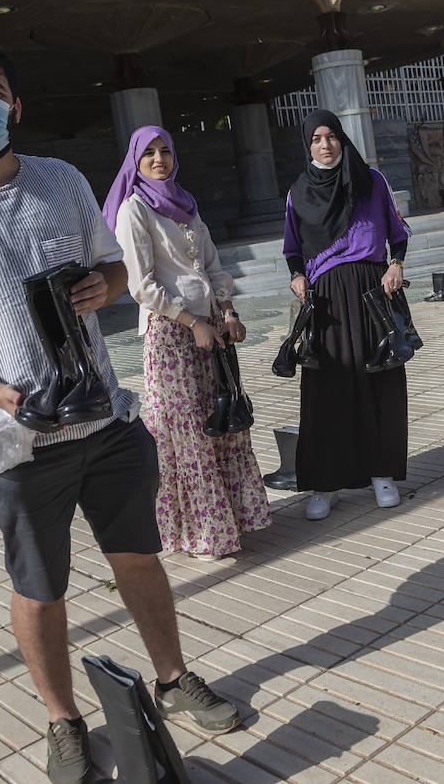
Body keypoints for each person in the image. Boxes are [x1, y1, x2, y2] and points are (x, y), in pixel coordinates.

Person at [0, 34, 239, 784]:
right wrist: (1, 395)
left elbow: (115, 265)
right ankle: (63, 721)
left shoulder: (60, 180)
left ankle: (171, 677)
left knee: (140, 557)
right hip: (13, 440)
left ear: (16, 104)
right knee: (40, 586)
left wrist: (106, 285)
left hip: (105, 417)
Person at [105, 124, 272, 561]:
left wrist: (228, 310)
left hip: (210, 326)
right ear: (135, 162)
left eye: (165, 151)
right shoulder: (135, 210)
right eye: (150, 154)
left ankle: (231, 520)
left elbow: (214, 264)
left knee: (219, 418)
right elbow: (140, 285)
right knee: (184, 433)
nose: (159, 160)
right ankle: (199, 533)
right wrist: (190, 320)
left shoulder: (186, 204)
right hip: (169, 333)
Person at [283, 110, 411, 521]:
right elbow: (292, 249)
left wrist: (397, 264)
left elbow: (397, 231)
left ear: (342, 138)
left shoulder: (371, 180)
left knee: (380, 383)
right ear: (308, 145)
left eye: (332, 136)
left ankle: (383, 474)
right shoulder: (298, 192)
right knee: (328, 390)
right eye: (316, 138)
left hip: (373, 291)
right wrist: (297, 276)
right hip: (326, 302)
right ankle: (326, 482)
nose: (325, 145)